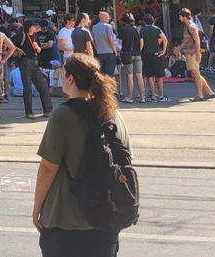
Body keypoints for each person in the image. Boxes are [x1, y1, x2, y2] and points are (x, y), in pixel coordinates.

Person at [31, 53, 132, 256]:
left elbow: (48, 167)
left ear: (71, 79)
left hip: (65, 219)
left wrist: (38, 206)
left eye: (64, 74)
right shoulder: (113, 113)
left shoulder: (62, 115)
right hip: (106, 217)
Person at [12, 18, 53, 119]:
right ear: (28, 27)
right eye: (33, 26)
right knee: (28, 88)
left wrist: (37, 47)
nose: (35, 27)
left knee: (43, 86)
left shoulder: (36, 36)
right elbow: (9, 42)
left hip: (35, 62)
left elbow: (39, 50)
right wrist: (18, 49)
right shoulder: (21, 36)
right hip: (25, 62)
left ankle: (48, 110)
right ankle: (29, 112)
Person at [174, 8, 215, 101]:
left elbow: (197, 41)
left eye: (180, 17)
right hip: (189, 52)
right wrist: (179, 48)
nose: (179, 18)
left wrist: (197, 53)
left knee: (195, 73)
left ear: (184, 17)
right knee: (195, 73)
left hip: (192, 53)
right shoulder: (187, 26)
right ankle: (209, 92)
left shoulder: (191, 26)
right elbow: (187, 40)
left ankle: (200, 94)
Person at [140, 15, 169, 102]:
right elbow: (165, 39)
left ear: (144, 22)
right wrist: (163, 50)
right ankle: (161, 95)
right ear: (153, 21)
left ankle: (152, 95)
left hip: (145, 54)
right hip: (156, 53)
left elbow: (141, 42)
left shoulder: (142, 30)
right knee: (159, 76)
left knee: (149, 75)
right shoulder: (157, 29)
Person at [117, 15, 144, 103]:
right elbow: (141, 42)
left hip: (127, 54)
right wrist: (138, 51)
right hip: (137, 54)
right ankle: (141, 96)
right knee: (139, 75)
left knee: (129, 75)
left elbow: (120, 43)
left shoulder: (122, 30)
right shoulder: (138, 29)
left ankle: (130, 97)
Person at [91, 12, 118, 78]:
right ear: (105, 18)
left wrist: (97, 48)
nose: (109, 18)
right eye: (108, 17)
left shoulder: (94, 27)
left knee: (102, 75)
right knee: (110, 75)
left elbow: (93, 41)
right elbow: (111, 41)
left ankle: (104, 88)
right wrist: (115, 51)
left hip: (100, 53)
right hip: (109, 53)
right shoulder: (108, 26)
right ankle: (110, 88)